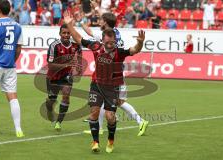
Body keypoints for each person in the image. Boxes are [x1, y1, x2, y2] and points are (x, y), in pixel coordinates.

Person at [63, 11, 146, 153]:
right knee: (94, 113)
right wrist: (70, 25)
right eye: (108, 43)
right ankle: (95, 142)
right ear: (102, 41)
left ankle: (111, 140)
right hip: (96, 84)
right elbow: (79, 39)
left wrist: (140, 42)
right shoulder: (96, 47)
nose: (110, 45)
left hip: (112, 87)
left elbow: (134, 50)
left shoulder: (119, 52)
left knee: (110, 117)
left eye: (112, 43)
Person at [81, 4, 148, 137]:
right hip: (114, 73)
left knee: (118, 102)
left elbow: (88, 31)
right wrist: (96, 9)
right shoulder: (114, 31)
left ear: (105, 23)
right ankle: (99, 127)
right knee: (105, 101)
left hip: (113, 76)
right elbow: (107, 18)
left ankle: (141, 121)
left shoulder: (104, 36)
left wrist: (82, 21)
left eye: (101, 20)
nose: (99, 20)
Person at [0, 0, 24, 137]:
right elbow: (18, 49)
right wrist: (11, 61)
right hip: (10, 66)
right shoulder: (18, 26)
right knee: (13, 97)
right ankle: (18, 129)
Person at [45, 24, 82, 131]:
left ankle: (59, 122)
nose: (66, 35)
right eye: (64, 33)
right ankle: (49, 109)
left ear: (71, 34)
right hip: (53, 76)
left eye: (68, 33)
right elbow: (50, 65)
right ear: (60, 34)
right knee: (51, 100)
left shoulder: (76, 45)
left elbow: (80, 57)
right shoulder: (54, 46)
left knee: (66, 96)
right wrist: (67, 65)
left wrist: (77, 68)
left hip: (67, 76)